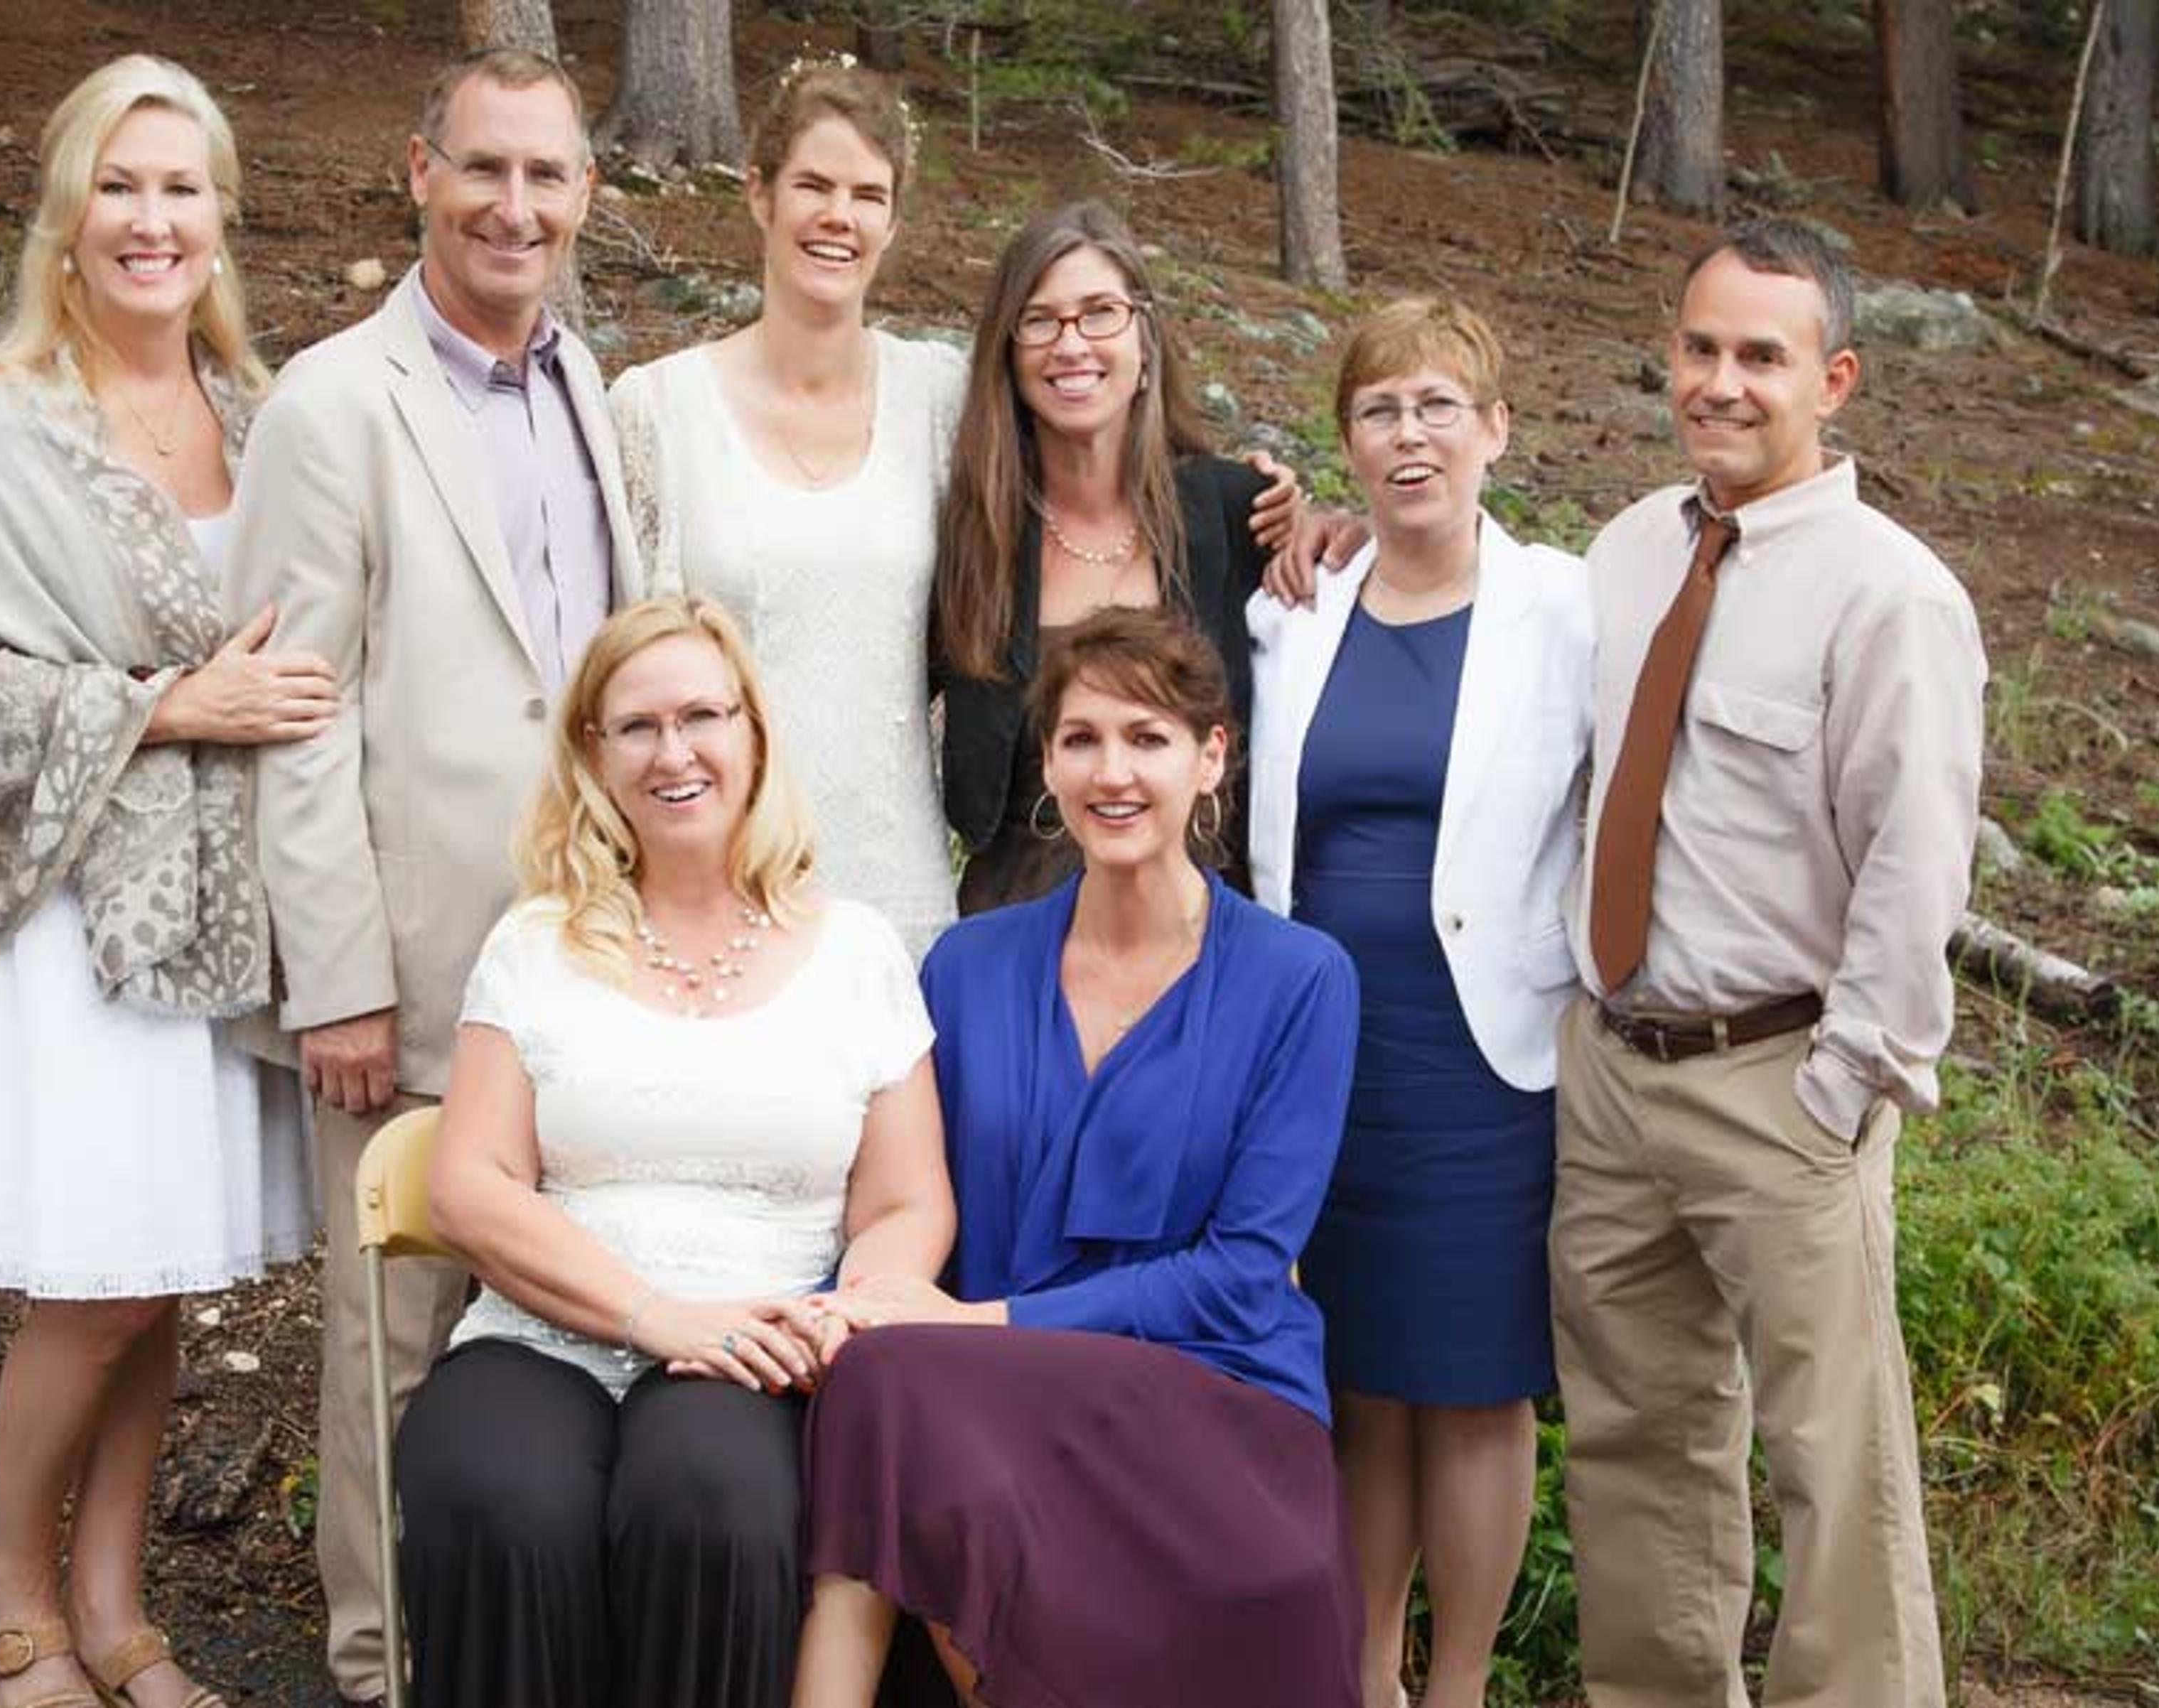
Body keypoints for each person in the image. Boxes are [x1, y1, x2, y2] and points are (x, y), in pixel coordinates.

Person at [0, 54, 322, 1708]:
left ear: (223, 215)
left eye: (182, 188)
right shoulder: (13, 423)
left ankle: (116, 1606)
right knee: (94, 1274)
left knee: (157, 1269)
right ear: (67, 219)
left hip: (216, 910)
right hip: (69, 919)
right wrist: (167, 703)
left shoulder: (258, 415)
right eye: (119, 188)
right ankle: (7, 1594)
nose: (152, 221)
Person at [223, 48, 644, 1708]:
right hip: (401, 970)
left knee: (552, 1329)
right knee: (389, 1350)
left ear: (585, 196)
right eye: (483, 169)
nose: (512, 206)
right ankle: (384, 1662)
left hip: (583, 962)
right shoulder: (333, 403)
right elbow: (293, 712)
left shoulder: (587, 389)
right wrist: (333, 972)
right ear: (418, 172)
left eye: (545, 176)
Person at [1556, 217, 1985, 1708]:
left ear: (1836, 378)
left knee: (1835, 1462)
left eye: (1762, 356)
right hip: (1610, 1073)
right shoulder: (1622, 552)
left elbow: (1916, 866)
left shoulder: (1892, 595)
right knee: (1635, 1438)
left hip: (1780, 1086)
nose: (1721, 383)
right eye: (1700, 347)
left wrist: (1843, 1086)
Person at [792, 607, 1365, 1708]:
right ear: (1046, 763)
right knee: (879, 1378)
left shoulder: (1301, 980)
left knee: (898, 1381)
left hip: (1216, 1387)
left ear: (1212, 758)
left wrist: (972, 1326)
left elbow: (1244, 1274)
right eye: (1082, 739)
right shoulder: (967, 965)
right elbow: (912, 1198)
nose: (1113, 772)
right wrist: (829, 1305)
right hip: (982, 1391)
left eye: (1148, 739)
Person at [392, 596, 954, 1708]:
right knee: (493, 1495)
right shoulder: (535, 942)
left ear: (754, 732)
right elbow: (468, 1183)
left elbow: (908, 1202)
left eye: (704, 714)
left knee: (708, 1501)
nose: (675, 751)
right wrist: (655, 1318)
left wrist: (847, 1312)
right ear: (592, 755)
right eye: (637, 726)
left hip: (763, 1343)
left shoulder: (857, 951)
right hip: (538, 1332)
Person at [1244, 296, 1592, 1708]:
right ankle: (1362, 1675)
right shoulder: (1297, 608)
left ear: (1495, 430)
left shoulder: (1564, 607)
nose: (1411, 435)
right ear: (1348, 442)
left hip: (1481, 1056)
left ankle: (1457, 1684)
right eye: (1382, 409)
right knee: (1360, 1376)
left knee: (1472, 1382)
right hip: (1325, 1052)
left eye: (1441, 404)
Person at [607, 60, 962, 947]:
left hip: (899, 887)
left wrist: (1267, 505)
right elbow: (617, 666)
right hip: (719, 886)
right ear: (760, 195)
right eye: (813, 184)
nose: (839, 216)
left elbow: (1086, 493)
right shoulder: (656, 410)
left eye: (867, 194)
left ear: (892, 219)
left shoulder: (940, 398)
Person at [934, 201, 1298, 912]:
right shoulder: (970, 536)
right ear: (1007, 356)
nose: (1071, 345)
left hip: (1199, 924)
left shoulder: (1238, 511)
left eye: (1100, 312)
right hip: (1016, 925)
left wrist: (1331, 529)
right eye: (1040, 320)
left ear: (1145, 342)